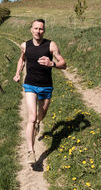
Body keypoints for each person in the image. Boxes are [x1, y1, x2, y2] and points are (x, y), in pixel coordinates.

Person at [13, 19, 67, 164]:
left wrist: (52, 64)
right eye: (36, 28)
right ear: (31, 29)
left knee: (40, 116)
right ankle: (31, 150)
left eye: (41, 29)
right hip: (30, 85)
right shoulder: (25, 45)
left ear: (44, 30)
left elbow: (64, 64)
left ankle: (38, 123)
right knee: (31, 117)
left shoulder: (51, 45)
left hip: (46, 86)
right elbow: (22, 60)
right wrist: (18, 73)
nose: (38, 31)